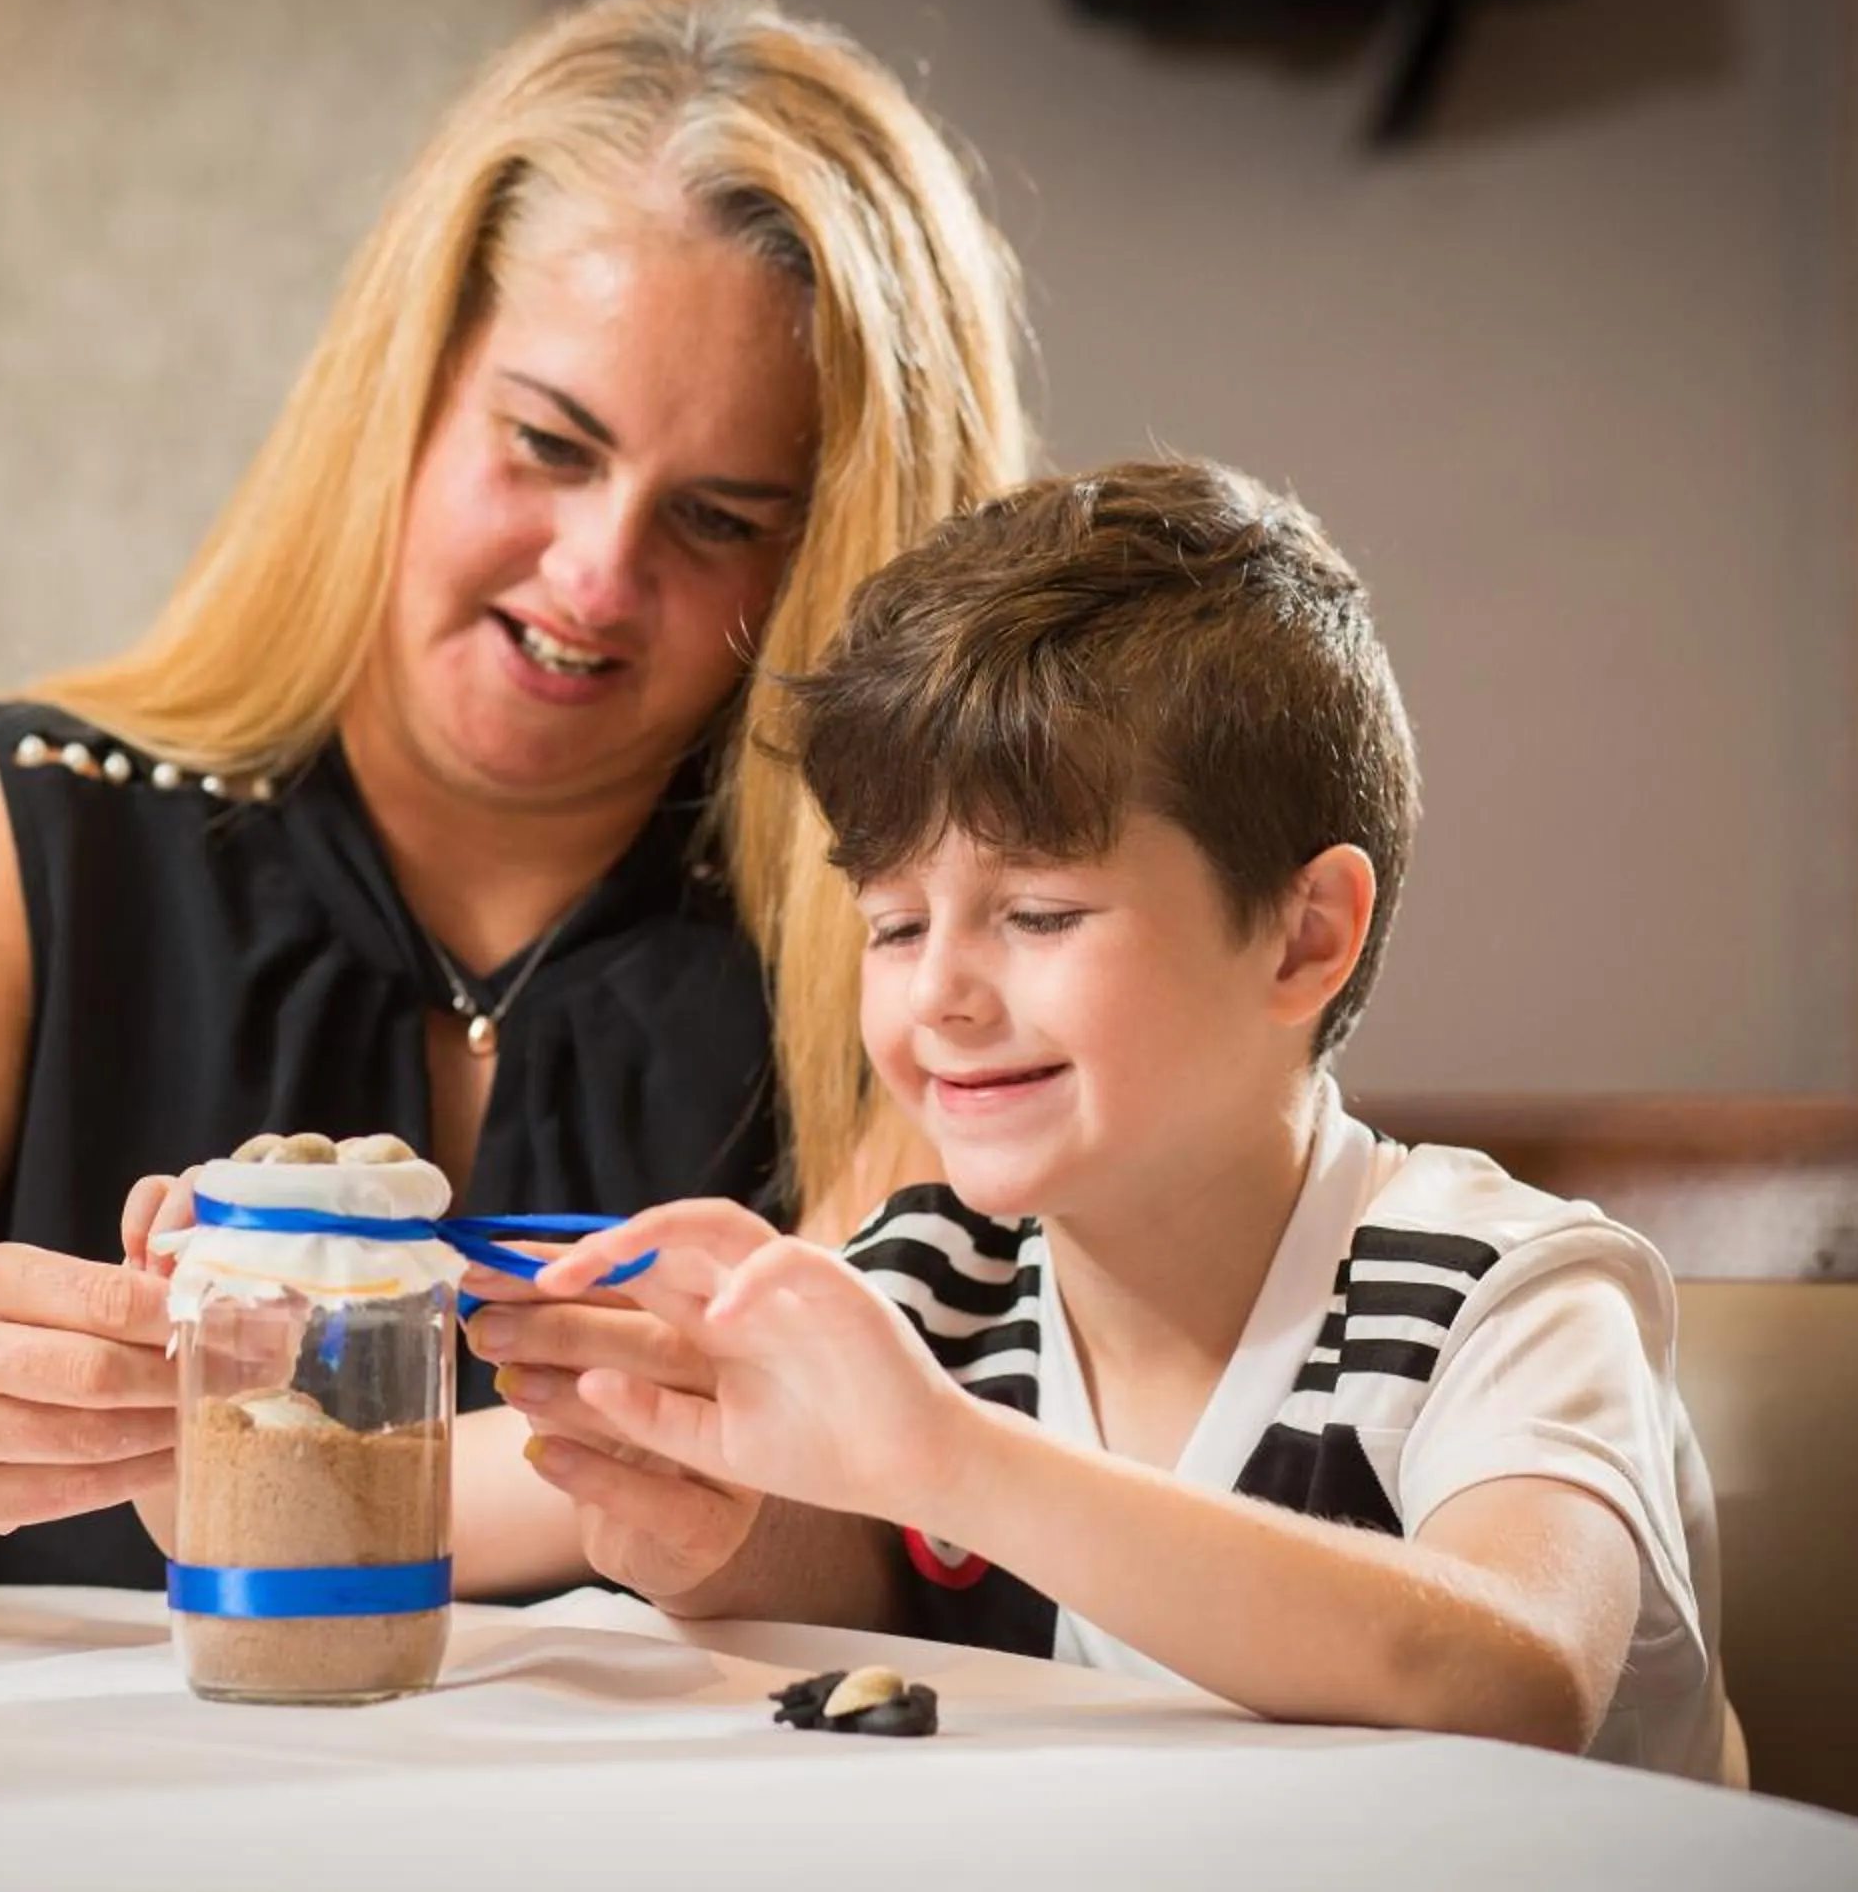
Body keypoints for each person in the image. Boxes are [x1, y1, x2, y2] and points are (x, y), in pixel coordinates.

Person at [0, 0, 1031, 1597]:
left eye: (719, 521)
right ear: (406, 391)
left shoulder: (904, 939)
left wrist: (712, 1504)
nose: (597, 577)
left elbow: (907, 1552)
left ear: (827, 558)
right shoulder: (27, 824)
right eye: (547, 444)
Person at [497, 458, 1738, 1779]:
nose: (941, 997)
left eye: (1039, 916)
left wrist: (953, 1460)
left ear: (1303, 936)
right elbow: (875, 1611)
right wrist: (718, 1536)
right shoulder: (939, 1288)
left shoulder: (1509, 1295)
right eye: (895, 925)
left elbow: (1512, 1675)